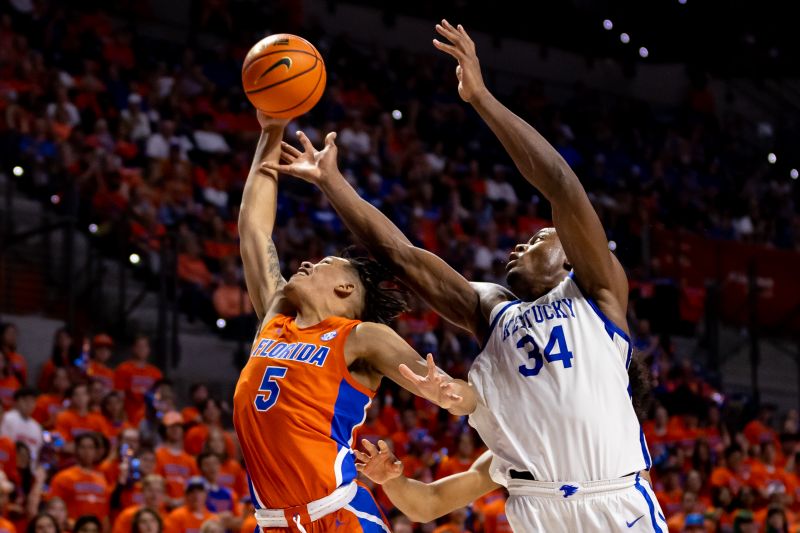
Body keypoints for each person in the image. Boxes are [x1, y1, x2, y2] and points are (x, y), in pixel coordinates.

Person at [271, 20, 664, 532]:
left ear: (571, 255)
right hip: (537, 507)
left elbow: (561, 184)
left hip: (615, 502)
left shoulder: (599, 293)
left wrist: (481, 99)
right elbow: (403, 258)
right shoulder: (491, 310)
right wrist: (332, 183)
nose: (521, 244)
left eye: (540, 238)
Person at [233, 113, 472, 532]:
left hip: (337, 516)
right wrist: (271, 127)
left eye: (325, 264)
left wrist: (448, 393)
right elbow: (253, 229)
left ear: (346, 291)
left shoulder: (361, 337)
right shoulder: (275, 320)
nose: (306, 263)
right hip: (270, 522)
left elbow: (459, 397)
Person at [47, 432, 110, 531]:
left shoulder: (102, 480)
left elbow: (104, 515)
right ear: (76, 450)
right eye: (83, 447)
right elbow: (52, 510)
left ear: (96, 452)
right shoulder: (63, 477)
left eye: (90, 447)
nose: (87, 451)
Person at [113, 335, 163, 425]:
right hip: (128, 416)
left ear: (149, 350)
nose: (142, 349)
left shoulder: (156, 373)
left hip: (149, 419)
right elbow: (119, 395)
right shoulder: (123, 369)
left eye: (145, 346)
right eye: (139, 346)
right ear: (133, 348)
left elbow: (159, 398)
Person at [0, 388, 43, 464]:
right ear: (17, 401)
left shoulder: (37, 427)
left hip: (28, 469)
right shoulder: (7, 418)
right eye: (26, 401)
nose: (29, 405)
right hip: (9, 465)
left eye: (33, 401)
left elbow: (37, 452)